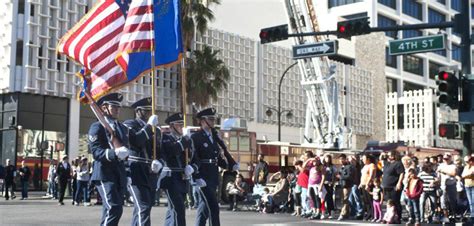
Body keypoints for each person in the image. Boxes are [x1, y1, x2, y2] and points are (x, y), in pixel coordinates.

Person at [88, 93, 136, 226]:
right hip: (104, 174)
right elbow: (96, 152)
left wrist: (127, 174)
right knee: (114, 208)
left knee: (110, 210)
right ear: (104, 108)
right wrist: (113, 153)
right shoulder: (97, 127)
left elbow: (125, 152)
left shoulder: (121, 128)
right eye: (114, 107)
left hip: (119, 174)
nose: (117, 110)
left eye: (118, 107)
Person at [191, 107, 239, 226]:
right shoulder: (196, 137)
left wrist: (229, 165)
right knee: (213, 207)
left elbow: (216, 157)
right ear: (203, 121)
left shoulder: (213, 137)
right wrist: (197, 176)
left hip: (213, 176)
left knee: (204, 209)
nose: (213, 122)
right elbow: (193, 158)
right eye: (210, 119)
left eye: (214, 119)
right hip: (203, 176)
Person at [123, 97, 161, 226]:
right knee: (143, 207)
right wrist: (149, 127)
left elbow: (160, 151)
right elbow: (136, 141)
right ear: (138, 111)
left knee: (145, 208)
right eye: (146, 111)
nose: (149, 113)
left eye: (150, 111)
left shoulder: (156, 129)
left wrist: (159, 162)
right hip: (136, 170)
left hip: (150, 172)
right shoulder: (130, 124)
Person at [159, 112, 199, 226]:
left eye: (182, 125)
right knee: (178, 210)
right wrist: (182, 143)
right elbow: (171, 151)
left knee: (172, 211)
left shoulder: (187, 141)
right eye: (178, 125)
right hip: (171, 178)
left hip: (183, 179)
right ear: (171, 126)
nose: (181, 127)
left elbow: (196, 159)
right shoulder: (165, 138)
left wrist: (192, 167)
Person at [381, 150, 404, 223]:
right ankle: (389, 217)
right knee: (388, 203)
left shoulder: (398, 164)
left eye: (390, 155)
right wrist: (383, 155)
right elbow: (381, 158)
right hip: (386, 186)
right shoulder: (387, 163)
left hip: (394, 186)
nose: (388, 156)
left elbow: (401, 173)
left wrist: (399, 183)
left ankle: (397, 218)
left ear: (394, 155)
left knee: (395, 202)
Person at [437, 153, 457, 223]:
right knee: (443, 201)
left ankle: (454, 215)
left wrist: (444, 172)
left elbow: (454, 173)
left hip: (451, 185)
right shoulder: (441, 165)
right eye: (444, 159)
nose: (445, 160)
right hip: (443, 185)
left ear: (450, 158)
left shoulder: (453, 165)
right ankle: (446, 217)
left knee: (452, 201)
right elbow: (438, 176)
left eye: (447, 159)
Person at [337, 154, 355, 221]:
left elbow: (349, 176)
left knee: (345, 199)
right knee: (344, 200)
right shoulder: (341, 167)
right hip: (341, 185)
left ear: (345, 159)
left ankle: (342, 214)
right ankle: (346, 214)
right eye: (340, 159)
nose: (341, 160)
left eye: (342, 159)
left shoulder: (349, 167)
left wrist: (341, 177)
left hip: (347, 185)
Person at [360, 154, 376, 221]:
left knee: (370, 200)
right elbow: (363, 175)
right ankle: (368, 214)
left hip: (369, 184)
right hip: (363, 184)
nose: (363, 160)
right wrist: (360, 183)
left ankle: (372, 215)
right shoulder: (365, 166)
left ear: (368, 159)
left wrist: (367, 184)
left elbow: (371, 175)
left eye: (364, 159)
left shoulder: (372, 165)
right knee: (365, 200)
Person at [321, 154, 336, 219]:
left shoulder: (332, 166)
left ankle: (331, 213)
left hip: (329, 183)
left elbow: (334, 175)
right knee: (322, 199)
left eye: (328, 158)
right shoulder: (322, 166)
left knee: (329, 199)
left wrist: (332, 182)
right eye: (326, 158)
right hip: (322, 184)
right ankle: (323, 212)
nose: (327, 160)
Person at [462, 155, 474, 224]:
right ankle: (472, 215)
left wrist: (467, 175)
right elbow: (463, 175)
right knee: (470, 202)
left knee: (473, 201)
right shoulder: (466, 167)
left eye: (467, 161)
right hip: (467, 186)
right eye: (466, 161)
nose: (466, 162)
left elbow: (471, 173)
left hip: (473, 186)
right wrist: (468, 175)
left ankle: (473, 215)